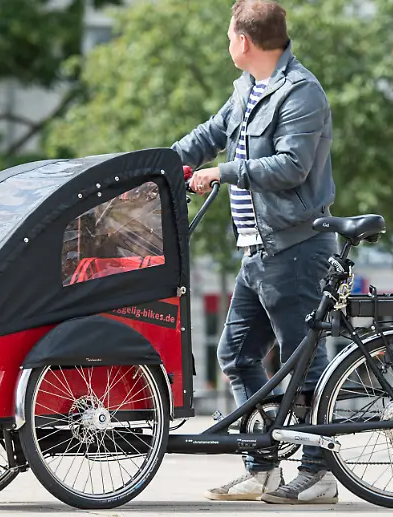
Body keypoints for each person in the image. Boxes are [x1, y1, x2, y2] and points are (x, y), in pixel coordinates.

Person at [171, 0, 339, 505]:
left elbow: (291, 166)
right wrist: (155, 165)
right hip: (258, 250)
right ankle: (262, 468)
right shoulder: (248, 88)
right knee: (236, 354)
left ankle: (318, 473)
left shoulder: (301, 92)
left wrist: (223, 172)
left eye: (229, 35)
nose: (227, 43)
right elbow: (209, 135)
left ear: (244, 41)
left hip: (296, 248)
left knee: (303, 362)